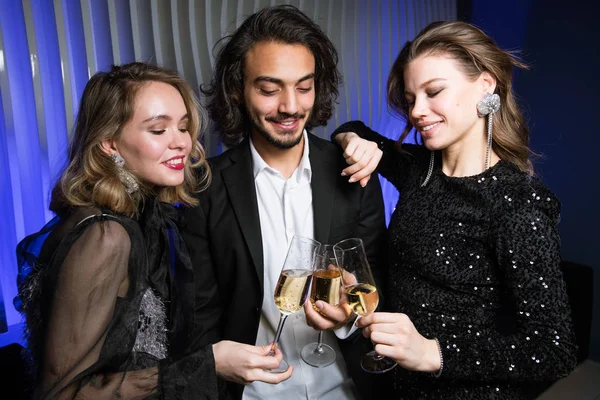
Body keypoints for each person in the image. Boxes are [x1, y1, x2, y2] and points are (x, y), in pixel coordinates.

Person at [14, 62, 292, 399]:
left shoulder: (146, 215)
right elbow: (64, 395)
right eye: (158, 130)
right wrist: (210, 363)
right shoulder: (106, 237)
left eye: (184, 127)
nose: (181, 144)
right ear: (109, 143)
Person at [331, 21, 578, 399]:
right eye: (412, 98)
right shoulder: (420, 168)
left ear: (486, 85)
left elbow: (555, 350)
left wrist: (434, 353)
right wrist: (352, 140)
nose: (417, 111)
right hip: (398, 387)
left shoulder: (516, 202)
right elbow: (352, 128)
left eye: (434, 92)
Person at [180, 5, 387, 400]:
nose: (291, 106)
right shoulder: (205, 188)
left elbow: (375, 281)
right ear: (238, 90)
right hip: (251, 393)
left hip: (344, 388)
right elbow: (200, 316)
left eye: (304, 87)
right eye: (269, 89)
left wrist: (349, 319)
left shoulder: (356, 172)